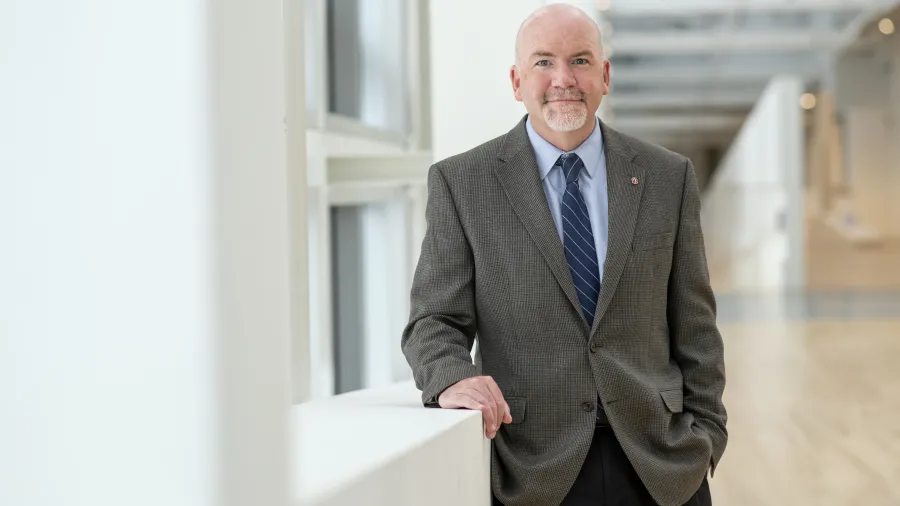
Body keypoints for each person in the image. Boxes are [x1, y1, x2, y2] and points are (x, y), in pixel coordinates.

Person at [401, 4, 727, 506]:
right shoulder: (463, 183)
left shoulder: (667, 176)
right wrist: (451, 379)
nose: (563, 78)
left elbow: (696, 322)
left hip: (661, 464)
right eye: (543, 62)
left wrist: (708, 433)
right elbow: (433, 320)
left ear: (604, 75)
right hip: (531, 467)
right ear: (516, 80)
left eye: (579, 61)